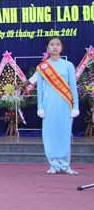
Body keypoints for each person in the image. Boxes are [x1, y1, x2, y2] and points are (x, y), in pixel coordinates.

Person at [36, 36, 79, 175]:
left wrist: (75, 106)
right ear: (47, 47)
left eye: (58, 44)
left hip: (65, 104)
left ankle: (65, 165)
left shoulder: (68, 65)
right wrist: (40, 106)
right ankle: (53, 164)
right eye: (52, 44)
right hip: (49, 104)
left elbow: (73, 87)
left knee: (64, 134)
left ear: (62, 47)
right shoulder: (43, 67)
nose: (55, 47)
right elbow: (40, 89)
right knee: (49, 134)